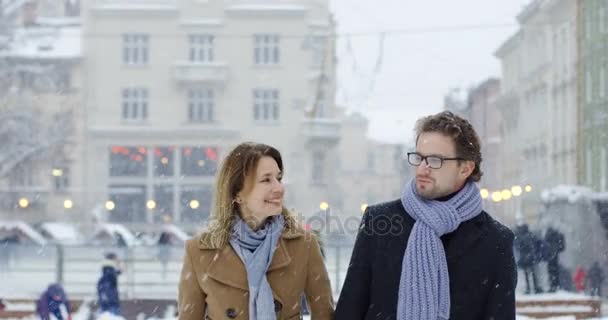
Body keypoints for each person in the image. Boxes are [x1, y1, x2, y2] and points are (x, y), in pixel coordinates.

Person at [335, 111, 517, 320]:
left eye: (434, 160)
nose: (422, 168)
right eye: (419, 157)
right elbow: (349, 310)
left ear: (465, 168)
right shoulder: (379, 221)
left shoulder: (495, 241)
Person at [178, 142, 333, 320]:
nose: (279, 188)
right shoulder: (198, 251)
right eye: (266, 180)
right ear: (237, 193)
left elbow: (324, 314)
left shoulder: (304, 244)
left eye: (278, 178)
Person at [514, 224, 544, 294]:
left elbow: (518, 247)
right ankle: (536, 288)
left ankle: (528, 289)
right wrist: (536, 252)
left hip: (525, 258)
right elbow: (538, 243)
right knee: (534, 274)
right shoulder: (531, 235)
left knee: (527, 275)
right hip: (532, 258)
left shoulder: (520, 237)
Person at [544, 227, 565, 292]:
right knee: (556, 271)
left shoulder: (548, 236)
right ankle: (556, 285)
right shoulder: (557, 236)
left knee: (551, 271)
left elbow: (545, 245)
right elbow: (562, 247)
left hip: (550, 256)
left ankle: (552, 286)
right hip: (555, 255)